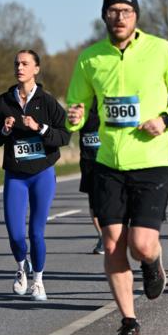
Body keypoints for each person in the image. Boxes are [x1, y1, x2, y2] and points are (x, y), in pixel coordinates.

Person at [66, 0, 168, 335]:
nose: (119, 17)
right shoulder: (90, 58)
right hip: (107, 163)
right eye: (113, 11)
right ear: (104, 16)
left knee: (140, 245)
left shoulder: (160, 49)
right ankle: (129, 321)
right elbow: (76, 105)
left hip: (152, 161)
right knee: (112, 243)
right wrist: (74, 117)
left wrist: (165, 119)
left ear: (136, 16)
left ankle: (152, 263)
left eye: (126, 11)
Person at [0, 49, 70, 301]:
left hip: (42, 173)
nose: (19, 68)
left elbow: (64, 135)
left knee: (36, 232)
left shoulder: (47, 101)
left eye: (25, 63)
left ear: (36, 69)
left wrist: (39, 127)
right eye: (16, 64)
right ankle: (21, 268)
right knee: (15, 233)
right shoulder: (4, 102)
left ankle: (39, 282)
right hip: (15, 175)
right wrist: (4, 130)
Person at [78, 97, 104, 254]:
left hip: (108, 161)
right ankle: (102, 237)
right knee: (94, 203)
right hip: (88, 162)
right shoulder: (82, 103)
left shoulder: (108, 100)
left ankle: (116, 233)